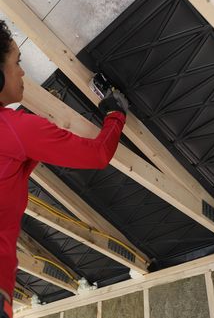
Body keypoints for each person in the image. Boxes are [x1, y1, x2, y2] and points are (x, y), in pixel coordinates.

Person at [0, 20, 128, 318]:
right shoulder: (15, 130)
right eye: (16, 63)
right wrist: (115, 113)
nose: (22, 71)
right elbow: (97, 155)